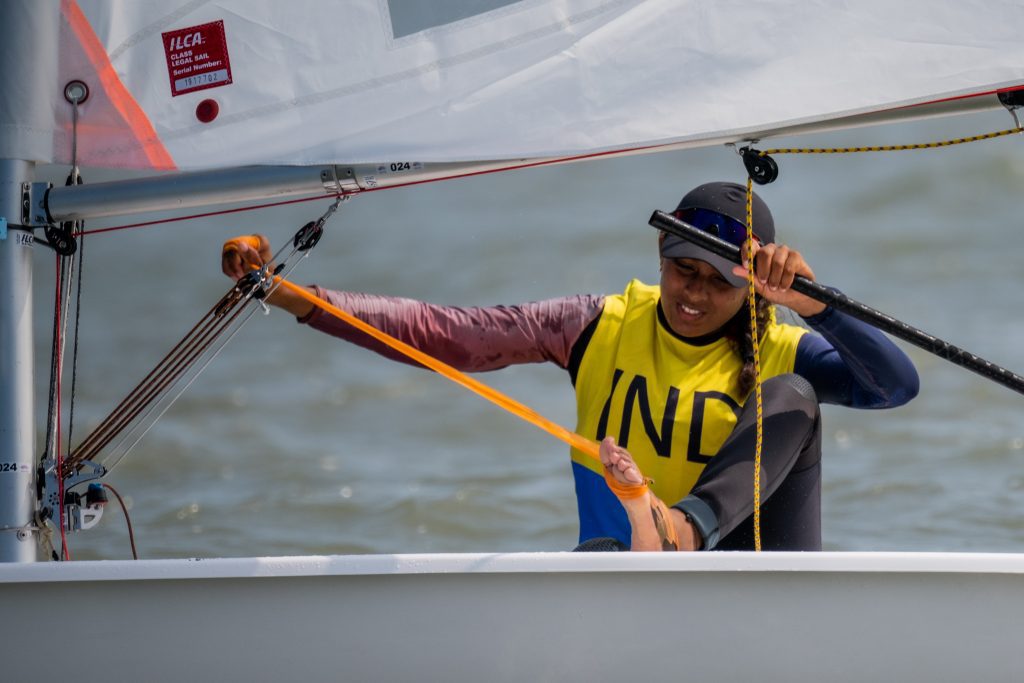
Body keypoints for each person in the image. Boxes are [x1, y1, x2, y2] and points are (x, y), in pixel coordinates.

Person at [222, 181, 919, 552]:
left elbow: (895, 385)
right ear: (660, 262)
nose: (696, 295)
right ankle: (651, 542)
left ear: (750, 288)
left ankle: (682, 530)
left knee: (795, 393)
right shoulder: (596, 325)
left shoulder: (780, 345)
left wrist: (812, 304)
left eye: (719, 283)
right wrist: (290, 295)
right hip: (620, 572)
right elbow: (451, 336)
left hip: (752, 576)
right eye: (682, 272)